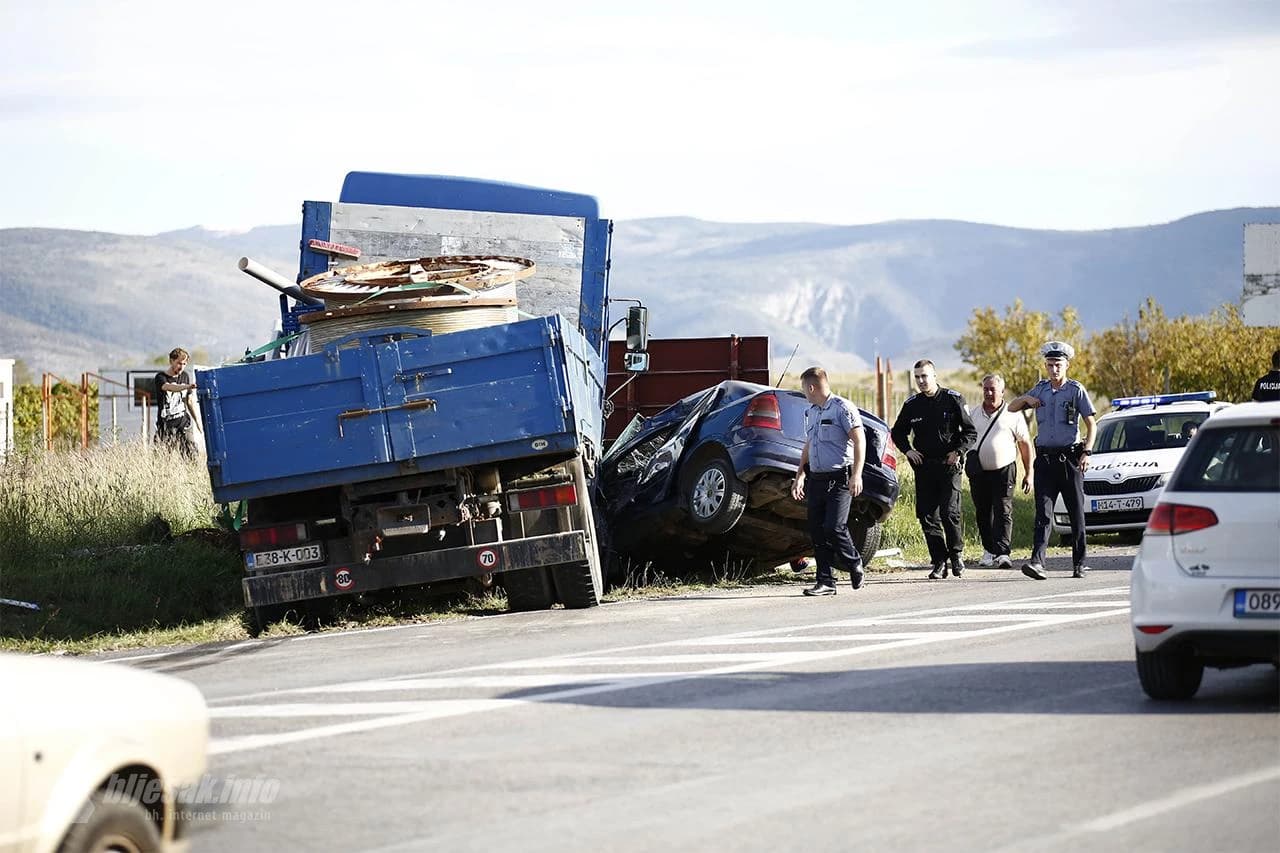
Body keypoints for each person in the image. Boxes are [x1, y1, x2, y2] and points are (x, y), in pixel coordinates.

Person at [1007, 341, 1096, 580]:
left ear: (1066, 365)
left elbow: (1091, 424)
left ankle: (1079, 563)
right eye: (1049, 365)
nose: (1053, 369)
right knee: (1043, 513)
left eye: (1058, 365)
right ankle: (1038, 562)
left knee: (1076, 513)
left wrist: (1087, 451)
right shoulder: (1041, 389)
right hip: (1045, 461)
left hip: (1069, 459)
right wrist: (1027, 398)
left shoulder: (1076, 390)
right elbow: (1012, 408)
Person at [891, 360, 977, 580]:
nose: (921, 381)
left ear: (934, 376)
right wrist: (908, 451)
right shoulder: (912, 405)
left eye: (925, 376)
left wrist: (958, 452)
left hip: (949, 465)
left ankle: (956, 554)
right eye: (917, 377)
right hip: (924, 466)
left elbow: (970, 432)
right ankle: (939, 561)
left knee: (950, 513)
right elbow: (898, 432)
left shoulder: (953, 399)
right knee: (927, 516)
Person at [790, 367, 866, 597]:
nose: (804, 393)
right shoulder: (811, 412)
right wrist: (800, 475)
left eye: (804, 388)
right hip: (817, 479)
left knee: (834, 527)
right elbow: (809, 444)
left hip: (840, 478)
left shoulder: (843, 408)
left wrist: (857, 474)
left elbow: (859, 441)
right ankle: (825, 581)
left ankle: (854, 563)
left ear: (811, 387)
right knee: (817, 531)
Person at [966, 373, 1033, 569]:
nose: (988, 393)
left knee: (1003, 510)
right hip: (979, 473)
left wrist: (1029, 473)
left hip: (1005, 470)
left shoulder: (1013, 414)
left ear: (1002, 392)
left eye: (992, 389)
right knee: (983, 512)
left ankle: (1003, 553)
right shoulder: (974, 414)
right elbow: (965, 439)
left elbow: (1025, 444)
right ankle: (989, 550)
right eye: (985, 389)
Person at [154, 347, 201, 458]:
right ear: (171, 361)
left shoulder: (185, 376)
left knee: (192, 456)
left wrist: (197, 421)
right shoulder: (161, 377)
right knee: (161, 459)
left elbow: (189, 401)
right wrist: (187, 386)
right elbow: (169, 387)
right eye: (179, 363)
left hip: (183, 424)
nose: (182, 367)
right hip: (166, 425)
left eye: (184, 364)